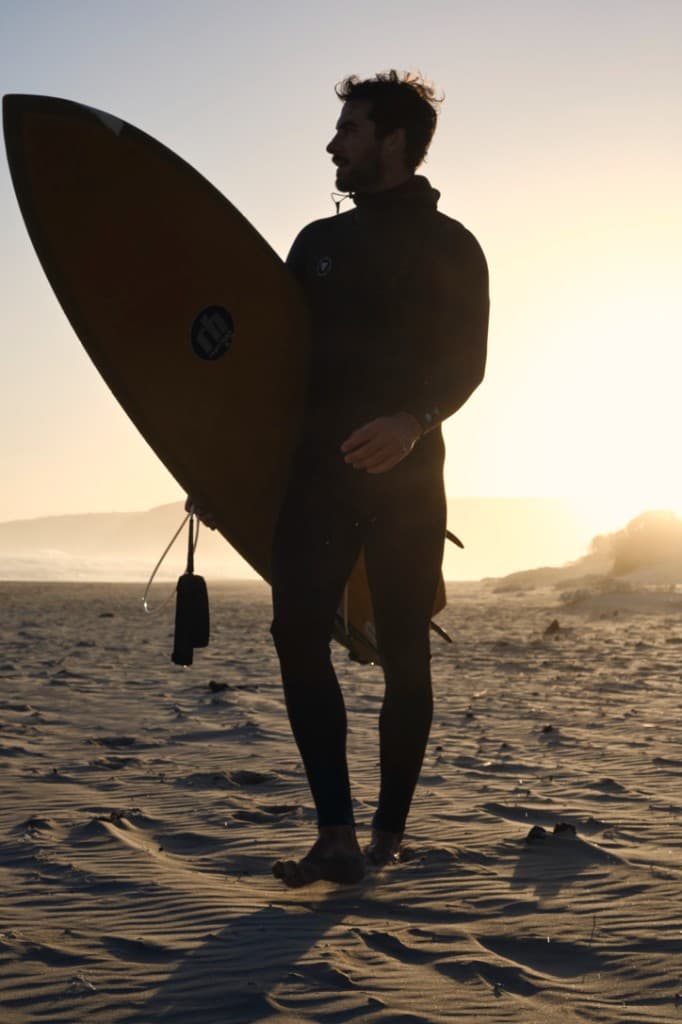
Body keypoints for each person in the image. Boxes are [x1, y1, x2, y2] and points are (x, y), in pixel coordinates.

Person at [191, 70, 488, 886]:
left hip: (406, 480)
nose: (333, 143)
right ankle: (335, 833)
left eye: (350, 129)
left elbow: (469, 363)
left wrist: (413, 421)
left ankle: (389, 831)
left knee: (403, 656)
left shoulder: (451, 246)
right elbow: (273, 371)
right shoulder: (317, 246)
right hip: (317, 477)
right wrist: (222, 464)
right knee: (296, 636)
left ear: (392, 141)